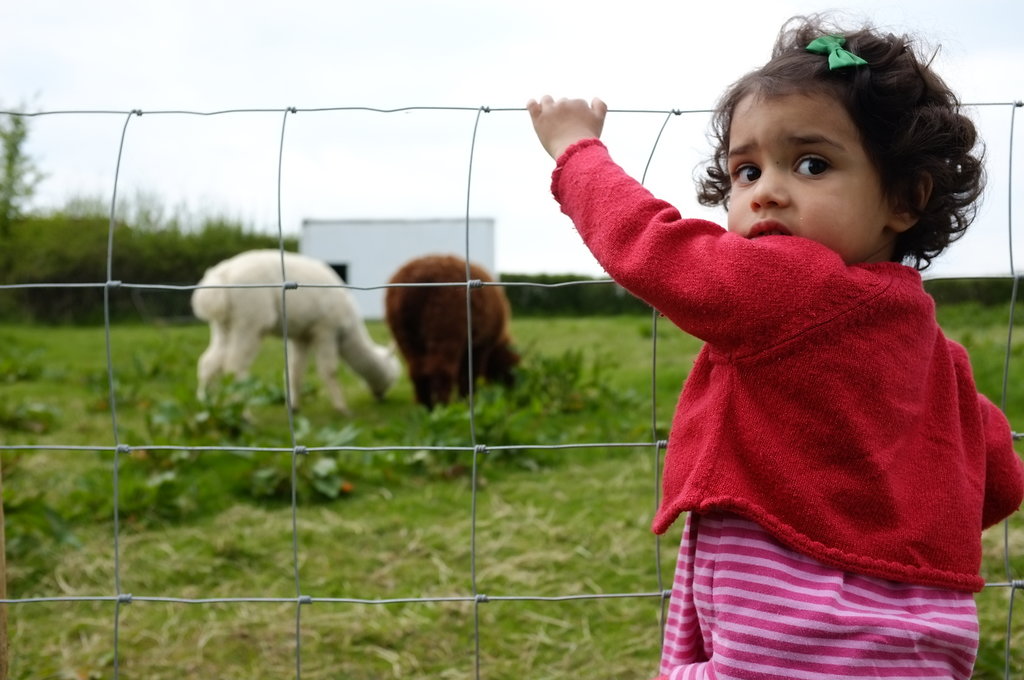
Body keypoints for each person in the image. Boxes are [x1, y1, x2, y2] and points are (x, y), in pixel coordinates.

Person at [527, 14, 1023, 680]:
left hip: (795, 628)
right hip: (925, 640)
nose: (766, 194)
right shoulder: (934, 347)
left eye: (811, 164)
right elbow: (998, 475)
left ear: (905, 199)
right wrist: (889, 524)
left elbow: (653, 249)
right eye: (745, 171)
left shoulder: (792, 283)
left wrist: (577, 151)